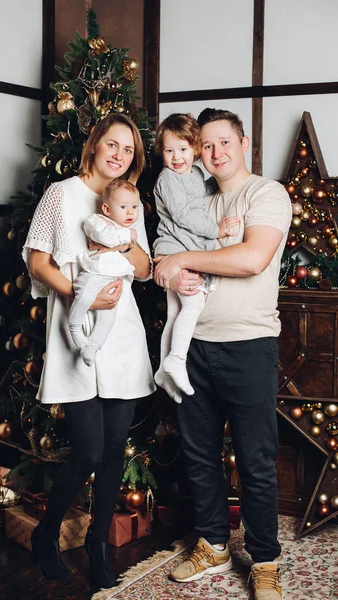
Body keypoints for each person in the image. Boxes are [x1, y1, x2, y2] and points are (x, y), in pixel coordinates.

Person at [154, 108, 291, 600]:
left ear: (243, 142)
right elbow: (160, 253)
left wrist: (182, 259)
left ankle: (265, 560)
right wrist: (162, 269)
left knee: (255, 459)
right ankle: (212, 542)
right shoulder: (195, 194)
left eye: (223, 142)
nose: (214, 153)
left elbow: (252, 258)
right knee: (198, 454)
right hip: (191, 345)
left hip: (248, 344)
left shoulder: (265, 194)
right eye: (205, 146)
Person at [22, 113, 156, 589]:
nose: (119, 155)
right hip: (76, 326)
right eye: (112, 145)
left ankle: (99, 544)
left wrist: (131, 236)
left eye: (128, 149)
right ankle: (46, 534)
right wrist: (82, 293)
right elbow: (38, 261)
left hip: (121, 332)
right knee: (88, 449)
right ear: (95, 144)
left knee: (116, 446)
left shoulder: (127, 201)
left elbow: (141, 269)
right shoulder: (62, 194)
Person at [152, 113, 239, 398]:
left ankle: (164, 372)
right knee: (193, 305)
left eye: (184, 150)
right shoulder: (167, 179)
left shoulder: (197, 173)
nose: (177, 157)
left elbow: (209, 187)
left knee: (175, 312)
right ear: (161, 152)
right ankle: (177, 360)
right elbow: (184, 213)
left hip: (183, 250)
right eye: (169, 151)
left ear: (195, 149)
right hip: (174, 249)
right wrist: (217, 230)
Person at [68, 179, 140, 367]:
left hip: (114, 280)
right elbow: (105, 238)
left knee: (108, 319)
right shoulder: (97, 221)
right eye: (123, 206)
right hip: (95, 274)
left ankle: (92, 346)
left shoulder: (126, 228)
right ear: (107, 209)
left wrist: (124, 243)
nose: (130, 212)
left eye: (134, 206)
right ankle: (75, 328)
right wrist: (127, 239)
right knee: (83, 298)